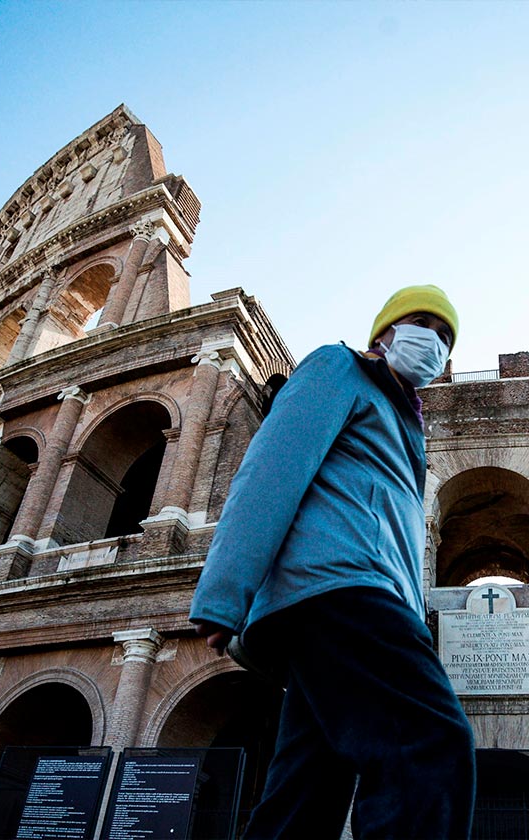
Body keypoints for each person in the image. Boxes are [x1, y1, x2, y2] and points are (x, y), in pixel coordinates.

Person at [189, 285, 476, 839]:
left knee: (305, 794)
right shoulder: (338, 369)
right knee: (430, 743)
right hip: (339, 592)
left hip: (360, 602)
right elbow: (272, 468)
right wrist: (225, 592)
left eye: (447, 338)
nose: (435, 343)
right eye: (425, 325)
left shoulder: (406, 426)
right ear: (384, 333)